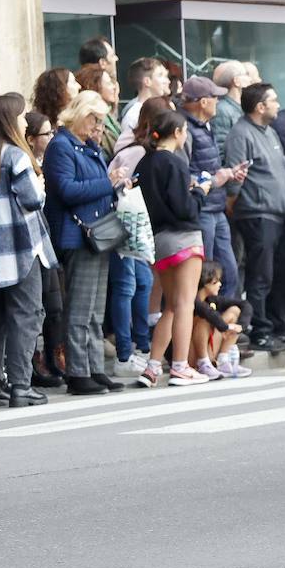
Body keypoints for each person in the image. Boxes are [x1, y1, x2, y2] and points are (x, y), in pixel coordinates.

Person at [0, 93, 55, 409]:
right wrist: (41, 186)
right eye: (20, 116)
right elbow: (33, 200)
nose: (24, 121)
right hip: (19, 248)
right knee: (25, 316)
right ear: (9, 121)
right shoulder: (17, 157)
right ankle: (21, 385)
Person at [43, 91, 129, 395]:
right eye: (94, 119)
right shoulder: (61, 146)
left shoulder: (87, 146)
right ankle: (78, 372)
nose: (99, 126)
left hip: (97, 233)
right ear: (80, 114)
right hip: (78, 234)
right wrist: (108, 181)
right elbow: (66, 189)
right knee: (80, 308)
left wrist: (115, 184)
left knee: (94, 309)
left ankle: (94, 368)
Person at [135, 109, 211, 386]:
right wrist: (201, 192)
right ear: (178, 133)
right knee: (184, 304)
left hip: (158, 239)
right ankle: (179, 364)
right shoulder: (175, 163)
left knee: (170, 305)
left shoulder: (145, 163)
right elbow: (185, 209)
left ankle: (153, 365)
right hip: (183, 238)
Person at [223, 82, 285, 355]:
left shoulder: (270, 132)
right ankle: (259, 330)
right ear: (259, 107)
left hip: (278, 215)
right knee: (260, 275)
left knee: (279, 273)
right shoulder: (241, 134)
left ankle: (278, 324)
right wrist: (233, 203)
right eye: (273, 100)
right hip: (257, 213)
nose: (278, 104)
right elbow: (234, 180)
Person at [108, 96, 174, 376]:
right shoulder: (137, 151)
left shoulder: (139, 148)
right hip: (127, 225)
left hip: (137, 226)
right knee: (128, 285)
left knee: (141, 282)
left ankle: (140, 346)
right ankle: (127, 351)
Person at [180, 75, 248, 302]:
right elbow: (181, 173)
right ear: (202, 101)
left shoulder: (203, 126)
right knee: (205, 272)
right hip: (203, 209)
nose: (219, 101)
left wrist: (226, 174)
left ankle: (221, 323)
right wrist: (212, 179)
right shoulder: (185, 130)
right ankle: (204, 324)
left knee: (228, 270)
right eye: (215, 97)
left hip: (215, 208)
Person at [25, 111, 65, 389]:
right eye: (46, 134)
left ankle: (54, 357)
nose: (51, 138)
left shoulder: (47, 160)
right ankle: (31, 361)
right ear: (30, 139)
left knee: (54, 304)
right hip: (32, 242)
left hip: (47, 240)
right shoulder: (24, 162)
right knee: (33, 307)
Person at [193, 262, 251, 378]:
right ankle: (203, 363)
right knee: (204, 319)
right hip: (193, 352)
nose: (220, 284)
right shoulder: (193, 300)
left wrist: (241, 326)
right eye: (216, 281)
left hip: (209, 347)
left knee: (234, 310)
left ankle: (223, 360)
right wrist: (226, 327)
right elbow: (208, 313)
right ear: (206, 282)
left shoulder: (212, 299)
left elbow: (245, 304)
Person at [118, 57, 170, 141]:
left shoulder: (161, 108)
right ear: (147, 81)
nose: (166, 81)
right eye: (160, 75)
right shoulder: (133, 116)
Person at [75, 65, 121, 157]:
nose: (114, 87)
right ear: (93, 86)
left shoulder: (109, 116)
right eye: (108, 83)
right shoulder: (89, 118)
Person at [211, 60, 250, 149]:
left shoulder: (242, 106)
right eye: (246, 74)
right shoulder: (221, 111)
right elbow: (221, 147)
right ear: (236, 81)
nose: (250, 78)